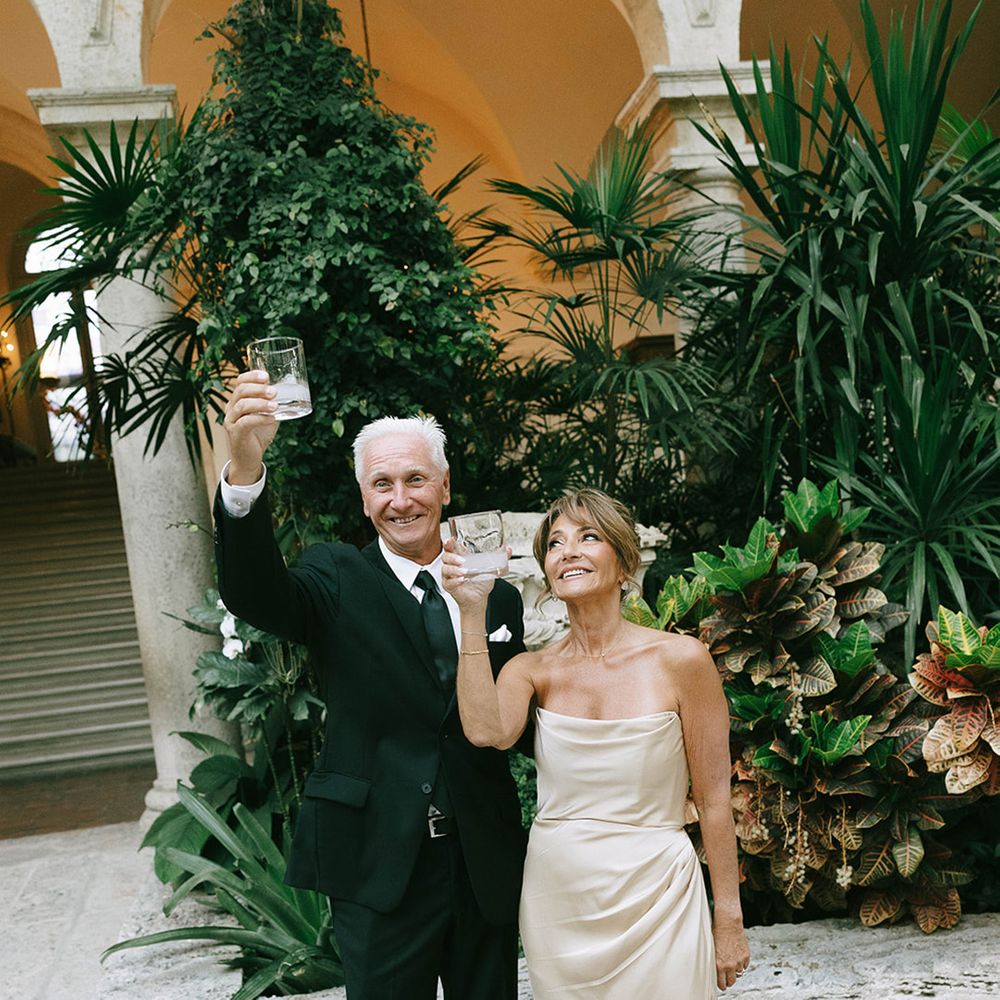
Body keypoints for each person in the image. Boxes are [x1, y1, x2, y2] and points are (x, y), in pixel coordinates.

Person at [214, 369, 528, 1000]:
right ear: (363, 498)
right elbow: (254, 592)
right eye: (381, 484)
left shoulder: (498, 601)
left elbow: (510, 725)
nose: (400, 498)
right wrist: (244, 468)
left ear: (443, 485)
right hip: (379, 860)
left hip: (481, 861)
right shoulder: (334, 577)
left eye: (414, 479)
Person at [442, 488, 750, 998]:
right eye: (556, 543)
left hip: (660, 892)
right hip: (560, 900)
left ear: (625, 563)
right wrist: (471, 611)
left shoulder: (682, 660)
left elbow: (715, 800)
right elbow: (486, 731)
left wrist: (728, 919)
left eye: (589, 537)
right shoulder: (530, 669)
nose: (569, 551)